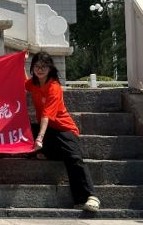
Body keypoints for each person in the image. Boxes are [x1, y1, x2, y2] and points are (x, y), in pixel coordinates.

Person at [26, 52, 100, 213]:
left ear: (50, 68)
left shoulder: (54, 87)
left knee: (74, 158)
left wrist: (39, 138)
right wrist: (19, 62)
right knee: (23, 130)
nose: (40, 69)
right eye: (37, 66)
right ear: (32, 68)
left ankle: (90, 196)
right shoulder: (33, 84)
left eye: (44, 66)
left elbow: (46, 115)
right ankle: (47, 153)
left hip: (64, 130)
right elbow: (22, 82)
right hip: (48, 131)